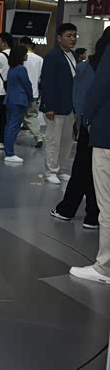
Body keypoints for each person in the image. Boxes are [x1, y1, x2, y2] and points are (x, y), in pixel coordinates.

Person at [52, 31, 109, 230]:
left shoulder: (86, 67)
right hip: (103, 128)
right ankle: (92, 214)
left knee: (83, 168)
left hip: (91, 124)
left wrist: (81, 120)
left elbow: (81, 97)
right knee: (98, 174)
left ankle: (68, 209)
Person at [70, 29, 110, 284]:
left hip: (107, 136)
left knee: (107, 204)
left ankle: (105, 267)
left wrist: (86, 118)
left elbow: (100, 88)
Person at [40, 23, 78, 185]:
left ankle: (61, 169)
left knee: (67, 141)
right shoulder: (52, 56)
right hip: (55, 107)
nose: (72, 39)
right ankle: (51, 171)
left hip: (71, 106)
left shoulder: (74, 55)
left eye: (74, 36)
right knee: (53, 140)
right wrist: (48, 106)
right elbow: (47, 82)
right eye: (69, 36)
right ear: (59, 38)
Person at [2, 46, 34, 163]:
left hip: (10, 100)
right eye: (25, 53)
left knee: (9, 126)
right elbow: (27, 85)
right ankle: (10, 153)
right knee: (14, 127)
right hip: (19, 100)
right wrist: (31, 98)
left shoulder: (12, 69)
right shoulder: (21, 69)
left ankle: (8, 150)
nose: (27, 55)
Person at [19, 37, 44, 148]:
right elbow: (41, 78)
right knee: (32, 116)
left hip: (20, 93)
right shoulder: (40, 59)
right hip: (34, 92)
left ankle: (8, 139)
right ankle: (38, 137)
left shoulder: (21, 58)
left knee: (15, 117)